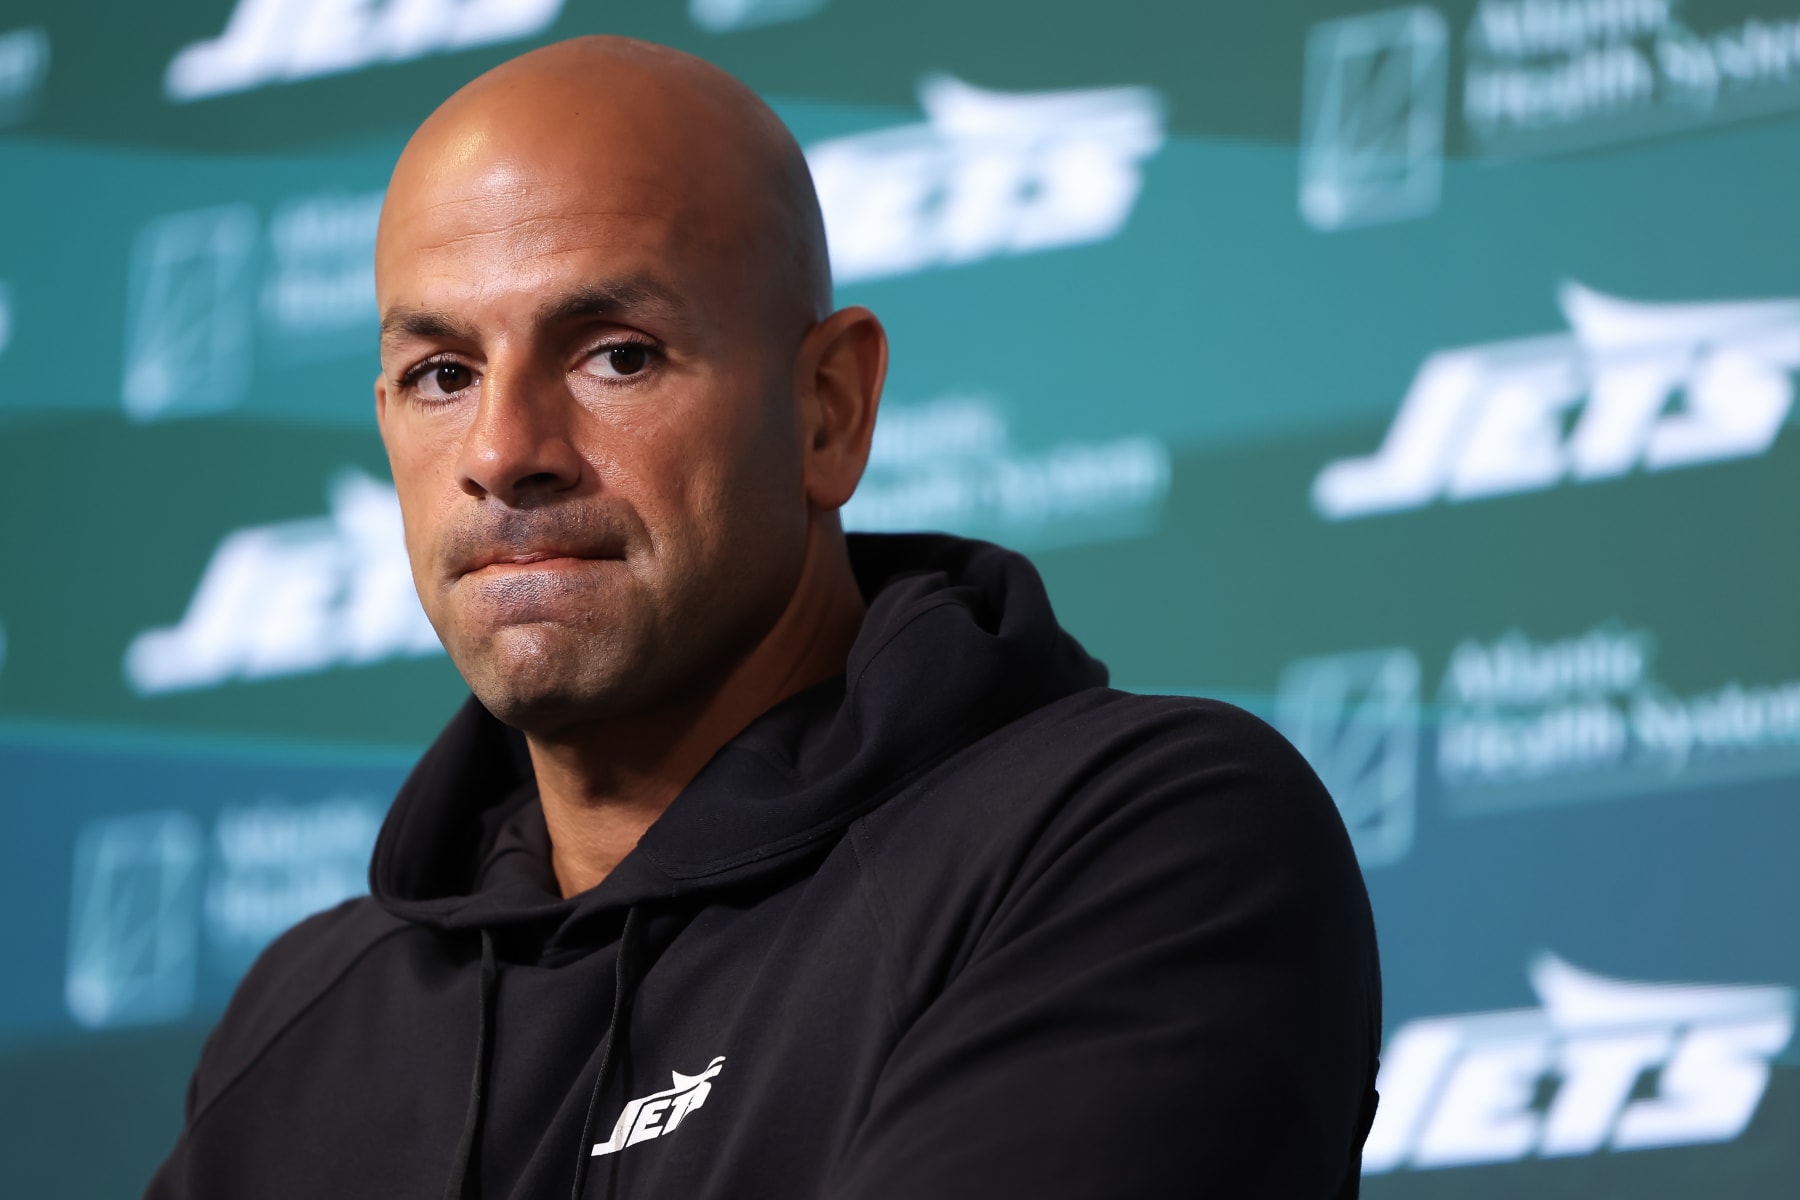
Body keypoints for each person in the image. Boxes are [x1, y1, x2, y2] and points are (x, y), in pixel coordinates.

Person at [145, 35, 1380, 1200]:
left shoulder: (1136, 840)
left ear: (829, 409)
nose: (504, 450)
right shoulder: (303, 1019)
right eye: (443, 375)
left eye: (615, 355)